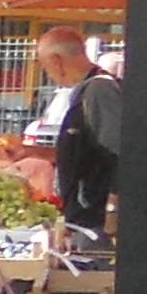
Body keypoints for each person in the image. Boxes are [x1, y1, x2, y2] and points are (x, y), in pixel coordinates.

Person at [31, 24, 123, 231]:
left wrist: (112, 210)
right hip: (86, 218)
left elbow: (120, 153)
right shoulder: (87, 91)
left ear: (56, 62)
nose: (48, 73)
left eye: (45, 66)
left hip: (94, 221)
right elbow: (82, 153)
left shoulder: (99, 90)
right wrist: (29, 151)